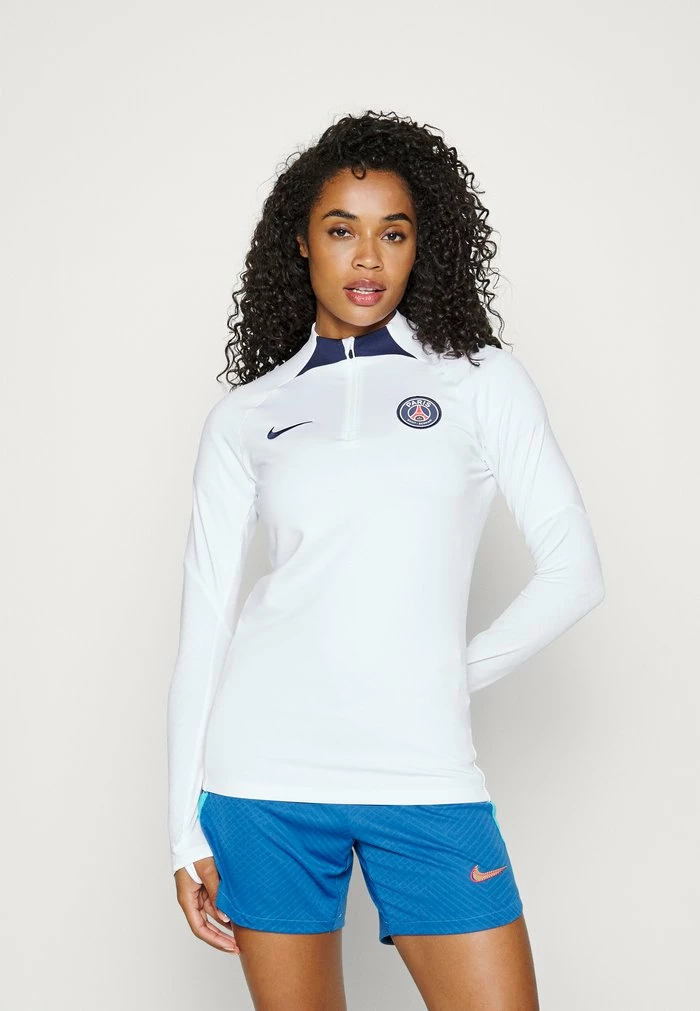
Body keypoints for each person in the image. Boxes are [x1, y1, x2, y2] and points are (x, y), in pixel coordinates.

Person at [166, 110, 605, 1010]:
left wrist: (446, 673)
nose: (367, 258)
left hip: (422, 772)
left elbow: (575, 570)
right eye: (342, 230)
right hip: (263, 782)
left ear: (419, 246)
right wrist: (182, 828)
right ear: (301, 241)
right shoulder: (245, 416)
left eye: (393, 233)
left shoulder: (477, 379)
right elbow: (205, 622)